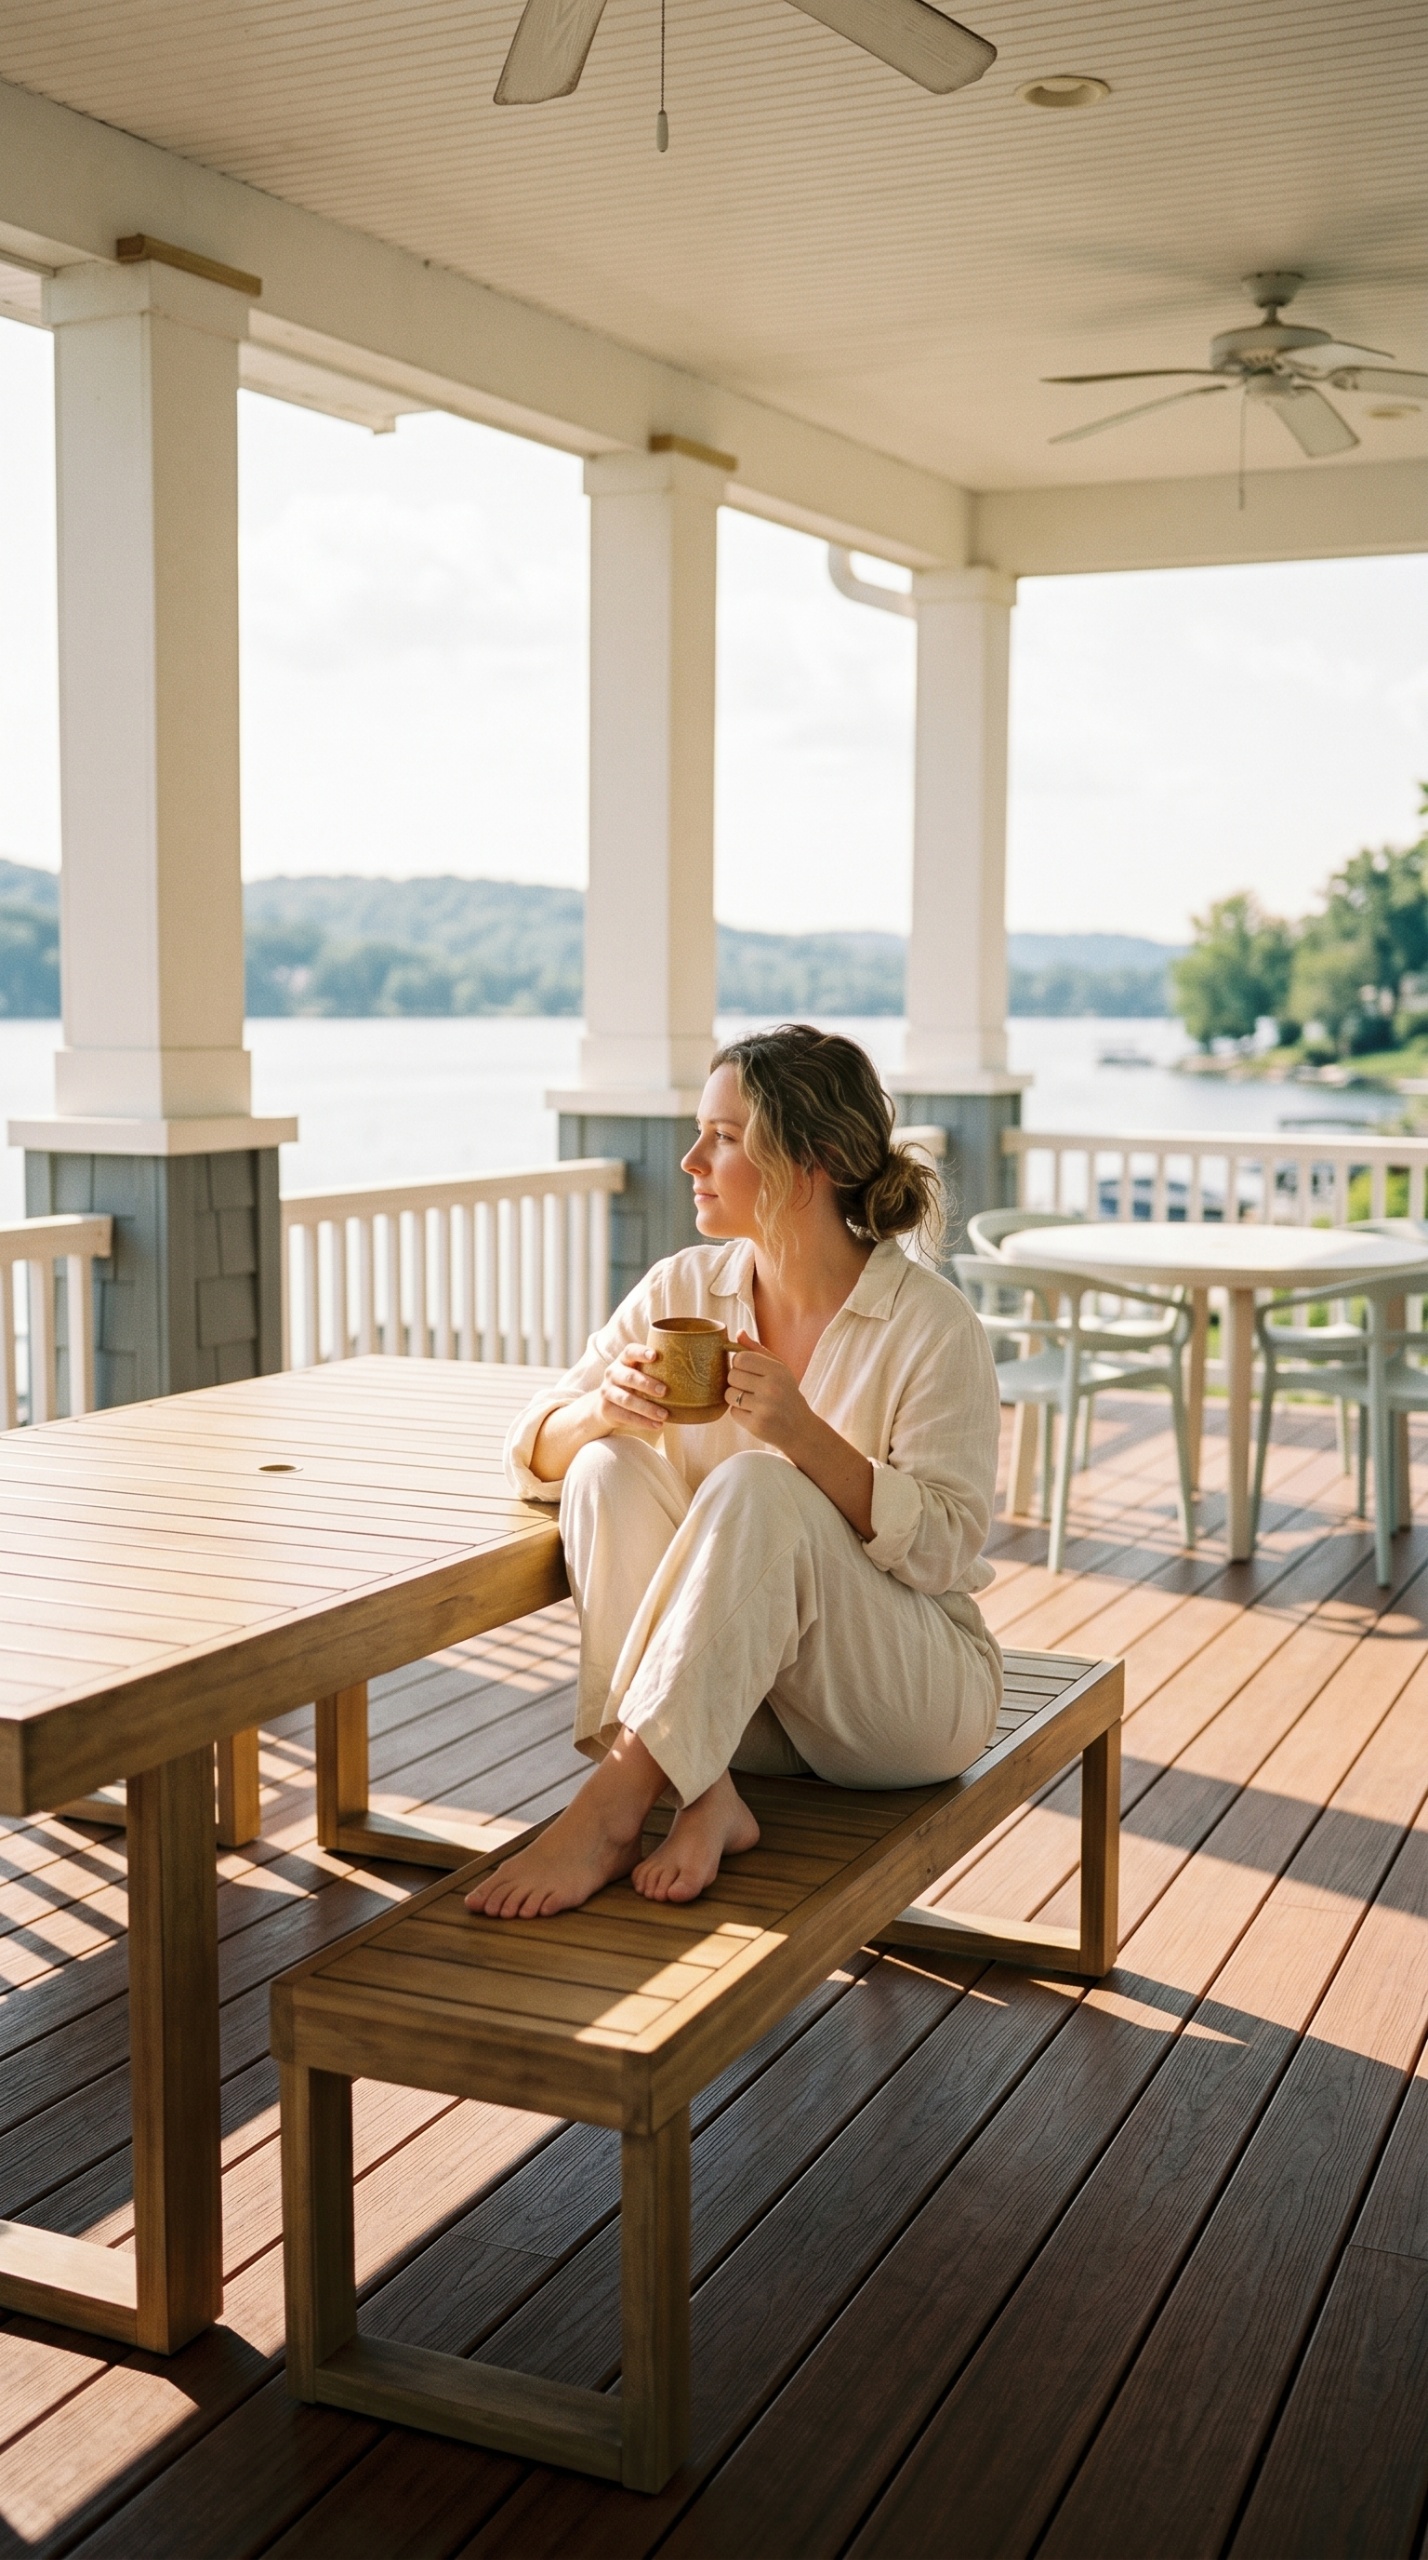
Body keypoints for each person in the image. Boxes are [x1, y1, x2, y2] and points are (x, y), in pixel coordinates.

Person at [465, 1023, 1002, 1923]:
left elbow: (946, 1551)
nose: (689, 1159)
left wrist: (803, 1434)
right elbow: (533, 1451)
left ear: (812, 1161)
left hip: (899, 1701)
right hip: (739, 1711)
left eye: (722, 1136)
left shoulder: (930, 1326)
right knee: (604, 1466)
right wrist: (608, 1409)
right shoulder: (684, 1291)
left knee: (760, 1484)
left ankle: (613, 1805)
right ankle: (707, 1796)